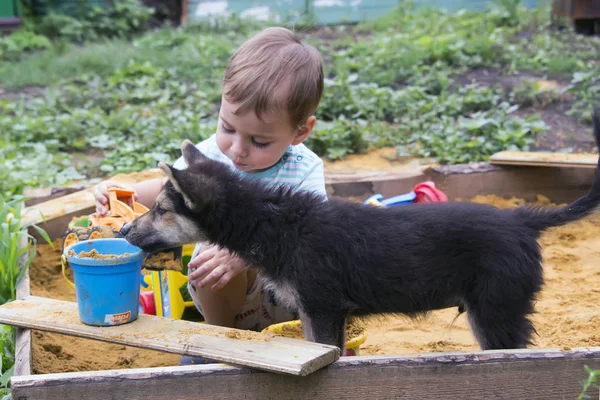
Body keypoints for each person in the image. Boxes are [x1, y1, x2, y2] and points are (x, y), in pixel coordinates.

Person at [93, 27, 328, 361]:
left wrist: (246, 253)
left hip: (286, 301)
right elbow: (164, 197)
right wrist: (121, 192)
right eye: (227, 127)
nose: (237, 149)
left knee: (230, 244)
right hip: (226, 300)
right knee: (211, 248)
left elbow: (313, 240)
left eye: (259, 141)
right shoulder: (207, 158)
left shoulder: (303, 170)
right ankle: (217, 343)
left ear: (300, 131)